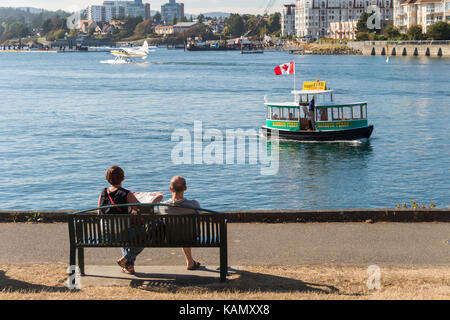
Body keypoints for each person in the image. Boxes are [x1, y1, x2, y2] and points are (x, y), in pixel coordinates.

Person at [98, 166, 162, 274]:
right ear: (122, 178)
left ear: (108, 179)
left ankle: (129, 267)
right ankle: (126, 258)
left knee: (128, 230)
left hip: (105, 235)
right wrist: (155, 199)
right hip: (121, 234)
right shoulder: (126, 193)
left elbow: (100, 212)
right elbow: (142, 209)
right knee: (146, 234)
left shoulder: (103, 193)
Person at [159, 176, 202, 270]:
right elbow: (200, 218)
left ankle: (190, 261)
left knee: (179, 230)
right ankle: (190, 262)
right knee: (185, 230)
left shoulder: (162, 206)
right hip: (192, 237)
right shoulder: (194, 205)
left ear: (170, 189)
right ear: (185, 188)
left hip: (170, 238)